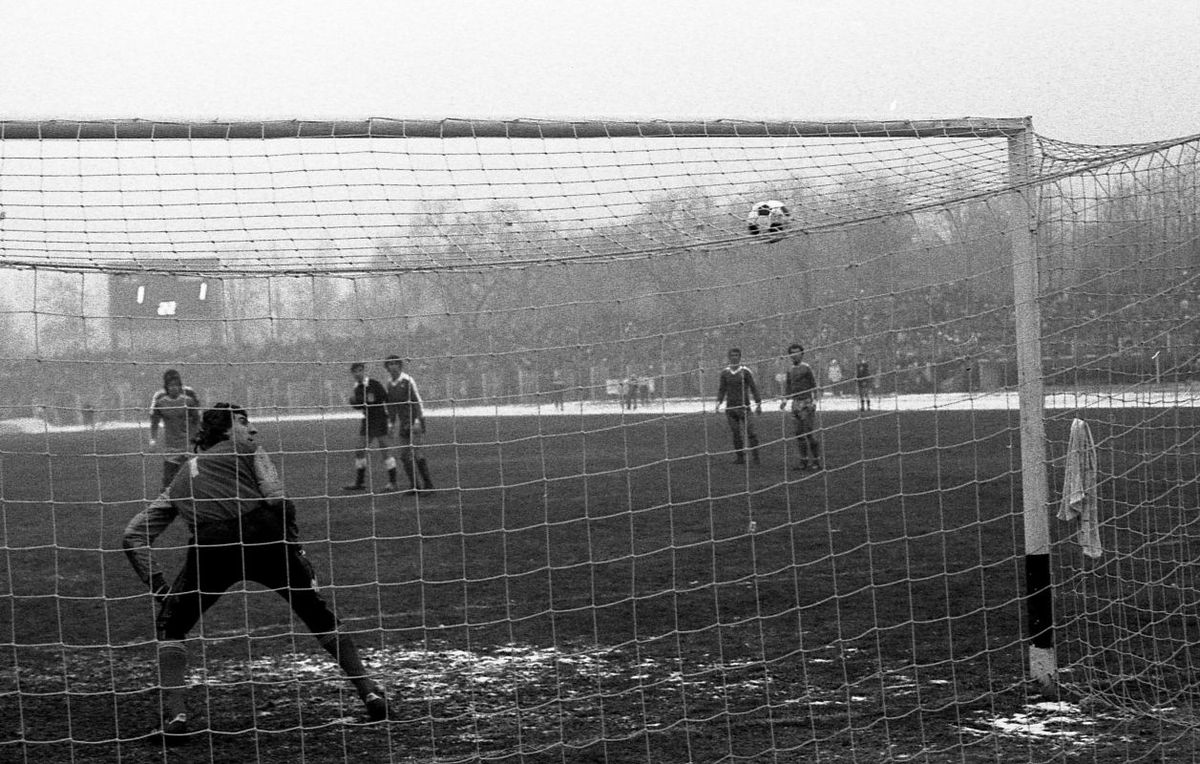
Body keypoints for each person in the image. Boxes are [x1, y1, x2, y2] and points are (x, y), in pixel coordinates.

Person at [122, 403, 389, 742]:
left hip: (212, 546)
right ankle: (370, 693)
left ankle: (175, 716)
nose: (253, 430)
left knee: (172, 625)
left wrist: (160, 588)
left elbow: (132, 536)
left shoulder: (177, 480)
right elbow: (278, 499)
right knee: (316, 614)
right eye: (243, 422)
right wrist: (294, 548)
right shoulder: (248, 449)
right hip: (263, 535)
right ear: (225, 430)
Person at [344, 362, 399, 492]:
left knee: (385, 450)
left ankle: (393, 482)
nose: (357, 374)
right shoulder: (357, 387)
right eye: (355, 372)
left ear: (363, 371)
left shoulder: (374, 384)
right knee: (359, 449)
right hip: (368, 420)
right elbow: (361, 405)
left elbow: (386, 399)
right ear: (352, 374)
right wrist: (354, 403)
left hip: (379, 419)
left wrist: (390, 421)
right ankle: (360, 482)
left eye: (359, 371)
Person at [383, 355, 434, 495]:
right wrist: (391, 424)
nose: (392, 366)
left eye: (395, 363)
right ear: (386, 367)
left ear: (400, 366)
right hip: (404, 424)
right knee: (404, 455)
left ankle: (429, 485)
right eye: (390, 364)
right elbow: (392, 407)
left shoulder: (407, 380)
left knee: (417, 453)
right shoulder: (390, 384)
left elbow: (417, 401)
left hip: (415, 421)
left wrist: (418, 420)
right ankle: (415, 486)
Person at [148, 369, 202, 490]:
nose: (174, 388)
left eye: (177, 385)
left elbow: (197, 419)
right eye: (171, 385)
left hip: (188, 446)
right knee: (168, 481)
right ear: (166, 387)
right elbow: (154, 421)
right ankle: (167, 503)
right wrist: (153, 439)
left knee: (194, 477)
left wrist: (196, 438)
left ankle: (196, 500)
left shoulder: (189, 400)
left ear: (180, 385)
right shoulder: (160, 401)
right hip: (171, 448)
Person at [715, 348, 762, 464]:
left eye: (736, 355)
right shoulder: (725, 373)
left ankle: (756, 456)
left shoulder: (745, 372)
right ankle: (740, 457)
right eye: (732, 355)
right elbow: (722, 389)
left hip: (744, 407)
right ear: (729, 357)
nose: (734, 357)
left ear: (740, 357)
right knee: (736, 432)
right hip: (730, 408)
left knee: (751, 432)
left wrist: (758, 403)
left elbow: (753, 388)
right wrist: (718, 402)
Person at [781, 343, 822, 470]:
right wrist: (785, 400)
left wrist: (814, 401)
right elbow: (789, 387)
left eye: (797, 352)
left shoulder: (806, 368)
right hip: (795, 404)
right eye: (792, 353)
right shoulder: (790, 370)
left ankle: (816, 461)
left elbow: (815, 386)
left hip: (806, 403)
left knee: (809, 432)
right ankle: (803, 461)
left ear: (802, 354)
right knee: (798, 434)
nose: (795, 355)